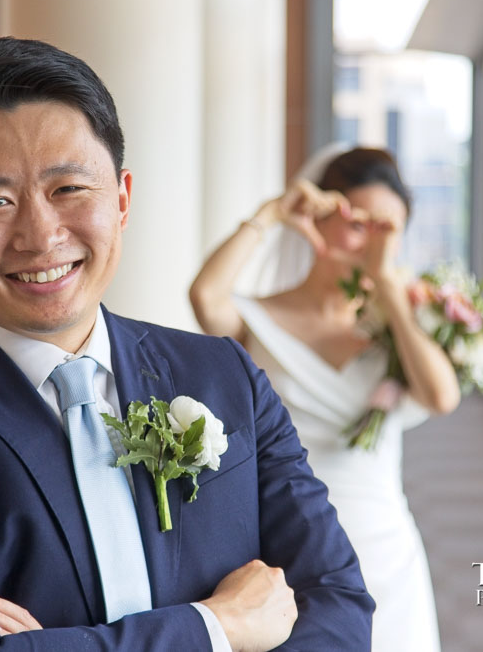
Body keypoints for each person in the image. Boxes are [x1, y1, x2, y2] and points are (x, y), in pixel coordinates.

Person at [0, 38, 373, 652]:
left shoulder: (224, 373)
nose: (40, 235)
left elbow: (336, 597)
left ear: (121, 200)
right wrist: (216, 627)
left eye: (68, 189)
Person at [190, 146, 460, 652]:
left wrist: (386, 286)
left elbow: (442, 397)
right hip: (290, 541)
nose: (374, 242)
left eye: (390, 230)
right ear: (324, 215)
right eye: (362, 224)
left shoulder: (395, 327)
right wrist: (271, 215)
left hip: (384, 544)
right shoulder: (260, 319)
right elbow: (206, 297)